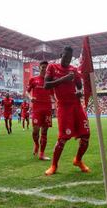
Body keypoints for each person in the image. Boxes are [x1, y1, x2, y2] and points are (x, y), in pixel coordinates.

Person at [44, 46, 91, 176]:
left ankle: (78, 160)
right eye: (65, 57)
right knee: (63, 138)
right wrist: (63, 79)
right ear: (61, 55)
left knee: (86, 135)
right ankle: (54, 166)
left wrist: (79, 92)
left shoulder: (73, 70)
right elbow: (46, 85)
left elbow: (79, 85)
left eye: (70, 58)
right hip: (64, 107)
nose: (67, 60)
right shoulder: (52, 67)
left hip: (76, 106)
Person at [26, 61, 53, 161]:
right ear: (39, 68)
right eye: (42, 67)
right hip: (37, 109)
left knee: (45, 131)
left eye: (46, 67)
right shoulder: (33, 80)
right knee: (35, 130)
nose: (44, 69)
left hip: (47, 108)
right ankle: (36, 144)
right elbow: (27, 92)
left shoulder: (49, 81)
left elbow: (53, 93)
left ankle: (42, 154)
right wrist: (30, 97)